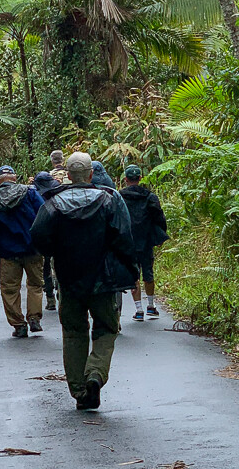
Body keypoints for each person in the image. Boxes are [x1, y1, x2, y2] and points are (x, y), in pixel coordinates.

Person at [31, 152, 138, 411]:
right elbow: (124, 236)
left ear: (67, 175)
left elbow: (38, 238)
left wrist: (58, 252)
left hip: (69, 280)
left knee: (74, 332)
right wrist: (130, 271)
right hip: (104, 279)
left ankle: (80, 391)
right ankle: (95, 375)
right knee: (105, 329)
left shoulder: (52, 204)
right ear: (91, 174)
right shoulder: (111, 199)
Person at [0, 165, 45, 338]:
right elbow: (44, 214)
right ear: (15, 178)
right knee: (35, 285)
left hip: (8, 253)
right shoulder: (30, 193)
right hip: (32, 249)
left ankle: (19, 325)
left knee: (10, 289)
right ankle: (34, 318)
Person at [121, 164, 168, 321]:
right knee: (148, 272)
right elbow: (159, 217)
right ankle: (151, 306)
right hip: (146, 240)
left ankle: (139, 310)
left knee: (134, 274)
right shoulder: (150, 197)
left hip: (128, 241)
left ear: (126, 179)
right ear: (140, 178)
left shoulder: (119, 197)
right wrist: (160, 236)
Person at [33, 171, 59, 311]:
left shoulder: (34, 194)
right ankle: (60, 293)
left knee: (45, 268)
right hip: (57, 234)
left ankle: (50, 298)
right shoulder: (57, 191)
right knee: (58, 265)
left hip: (44, 235)